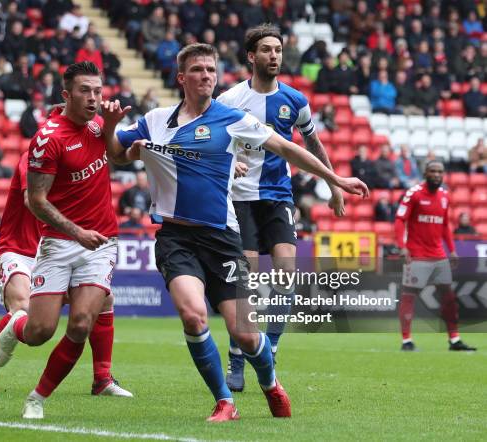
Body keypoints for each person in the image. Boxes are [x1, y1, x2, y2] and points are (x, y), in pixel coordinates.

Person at [106, 43, 368, 421]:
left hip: (221, 238)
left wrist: (335, 178)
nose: (206, 76)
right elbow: (117, 153)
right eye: (197, 70)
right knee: (193, 316)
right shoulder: (156, 119)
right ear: (182, 78)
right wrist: (113, 126)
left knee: (245, 334)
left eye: (211, 70)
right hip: (175, 238)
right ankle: (224, 400)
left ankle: (271, 384)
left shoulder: (231, 118)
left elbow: (286, 148)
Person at [0, 62, 135, 419]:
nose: (94, 98)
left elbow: (117, 156)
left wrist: (116, 128)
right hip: (60, 242)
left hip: (101, 240)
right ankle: (16, 325)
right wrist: (76, 232)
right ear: (66, 95)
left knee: (82, 321)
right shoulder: (48, 138)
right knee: (40, 331)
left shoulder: (100, 124)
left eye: (98, 91)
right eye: (85, 91)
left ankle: (36, 398)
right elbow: (36, 202)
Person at [216, 24, 344, 393]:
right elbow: (213, 143)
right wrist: (229, 163)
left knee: (287, 277)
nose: (274, 55)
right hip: (239, 198)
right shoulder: (229, 100)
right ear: (251, 56)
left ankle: (269, 349)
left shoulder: (295, 101)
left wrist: (333, 184)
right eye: (267, 50)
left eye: (278, 49)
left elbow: (312, 145)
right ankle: (237, 357)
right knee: (249, 284)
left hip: (277, 195)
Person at [0, 151, 131, 400]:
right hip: (16, 249)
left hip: (53, 251)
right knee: (22, 307)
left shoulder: (79, 164)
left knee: (104, 299)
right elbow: (31, 199)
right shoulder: (36, 157)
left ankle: (102, 379)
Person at [395, 160, 476, 352]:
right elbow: (400, 220)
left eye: (440, 171)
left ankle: (454, 340)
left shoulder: (445, 196)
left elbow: (445, 225)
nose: (437, 174)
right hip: (417, 255)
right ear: (425, 173)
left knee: (448, 298)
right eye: (433, 171)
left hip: (439, 255)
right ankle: (407, 341)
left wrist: (452, 249)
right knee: (409, 296)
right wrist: (402, 246)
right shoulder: (413, 194)